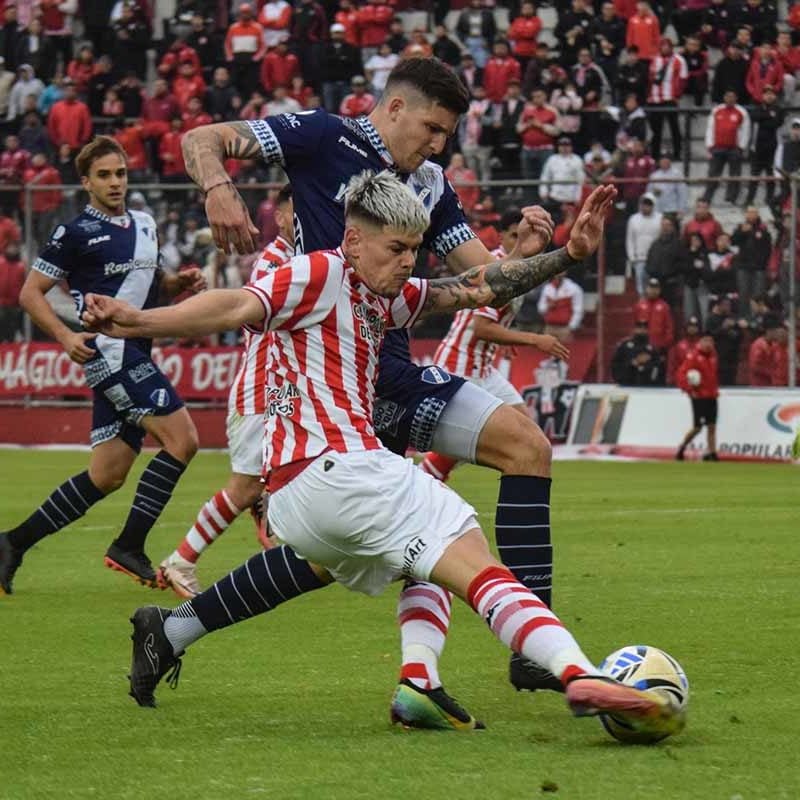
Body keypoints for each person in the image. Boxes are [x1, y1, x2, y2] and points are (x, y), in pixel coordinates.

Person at [84, 175, 678, 743]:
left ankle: (176, 631)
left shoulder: (387, 296)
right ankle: (579, 674)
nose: (407, 262)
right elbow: (234, 306)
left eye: (414, 249)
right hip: (339, 470)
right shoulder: (320, 272)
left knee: (412, 555)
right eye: (396, 249)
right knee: (467, 550)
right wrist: (138, 321)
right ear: (353, 240)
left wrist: (568, 256)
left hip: (300, 497)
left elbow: (479, 287)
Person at [173, 57, 585, 705]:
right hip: (325, 380)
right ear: (394, 108)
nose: (438, 145)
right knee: (351, 549)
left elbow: (482, 280)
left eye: (447, 134)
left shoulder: (430, 183)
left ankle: (518, 657)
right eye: (432, 128)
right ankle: (175, 628)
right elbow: (202, 138)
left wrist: (539, 254)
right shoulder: (321, 135)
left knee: (514, 455)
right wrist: (219, 188)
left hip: (389, 370)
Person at [0, 137, 206, 596]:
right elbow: (30, 293)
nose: (115, 182)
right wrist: (66, 336)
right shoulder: (74, 233)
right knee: (183, 440)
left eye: (121, 173)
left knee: (108, 474)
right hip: (111, 353)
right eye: (105, 175)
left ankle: (11, 543)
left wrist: (178, 283)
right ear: (86, 182)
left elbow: (149, 288)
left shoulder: (146, 224)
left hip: (135, 350)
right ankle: (128, 545)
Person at [159, 186, 294, 598]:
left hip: (283, 390)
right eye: (298, 211)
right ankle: (181, 559)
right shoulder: (275, 262)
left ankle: (278, 524)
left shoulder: (301, 258)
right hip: (260, 389)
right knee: (244, 486)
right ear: (281, 217)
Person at [422, 209, 570, 483]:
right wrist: (535, 339)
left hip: (484, 367)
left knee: (528, 433)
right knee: (469, 440)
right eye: (514, 235)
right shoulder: (497, 266)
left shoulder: (520, 269)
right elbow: (481, 327)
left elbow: (491, 322)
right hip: (460, 364)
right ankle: (424, 482)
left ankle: (432, 477)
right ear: (500, 236)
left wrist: (504, 339)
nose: (521, 240)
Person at [675, 333, 719, 461]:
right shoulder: (693, 357)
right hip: (699, 397)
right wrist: (689, 390)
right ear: (700, 342)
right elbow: (681, 374)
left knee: (712, 426)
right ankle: (682, 447)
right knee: (697, 428)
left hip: (712, 396)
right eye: (706, 341)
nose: (708, 344)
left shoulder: (713, 356)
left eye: (710, 341)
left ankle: (712, 453)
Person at [702, 90, 750, 205]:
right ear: (724, 97)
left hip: (734, 149)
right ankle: (707, 199)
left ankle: (731, 198)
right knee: (713, 174)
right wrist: (709, 145)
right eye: (727, 96)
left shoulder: (742, 111)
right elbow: (710, 128)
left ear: (736, 98)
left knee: (735, 175)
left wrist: (741, 147)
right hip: (717, 148)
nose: (730, 99)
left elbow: (746, 130)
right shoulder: (716, 110)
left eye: (732, 96)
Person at [625, 192, 662, 295]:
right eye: (644, 204)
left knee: (654, 285)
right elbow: (630, 240)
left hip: (655, 259)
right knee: (641, 286)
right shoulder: (633, 219)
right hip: (639, 259)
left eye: (649, 204)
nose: (646, 207)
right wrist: (632, 257)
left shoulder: (660, 218)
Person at [611, 318, 664, 385]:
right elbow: (616, 364)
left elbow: (657, 367)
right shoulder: (625, 346)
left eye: (644, 328)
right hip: (626, 383)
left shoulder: (652, 348)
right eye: (639, 328)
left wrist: (645, 366)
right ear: (634, 329)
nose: (642, 330)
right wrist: (631, 363)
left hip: (646, 384)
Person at [537, 272, 585, 340]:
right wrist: (548, 306)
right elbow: (540, 308)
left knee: (565, 347)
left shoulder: (574, 288)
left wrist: (571, 327)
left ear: (565, 273)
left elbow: (578, 310)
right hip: (549, 327)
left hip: (564, 328)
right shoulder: (548, 288)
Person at [633, 276, 674, 353]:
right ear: (647, 289)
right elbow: (634, 324)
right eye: (651, 288)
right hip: (642, 346)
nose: (653, 291)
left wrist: (665, 344)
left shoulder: (664, 307)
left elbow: (669, 327)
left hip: (659, 347)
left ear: (659, 290)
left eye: (656, 288)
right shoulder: (639, 305)